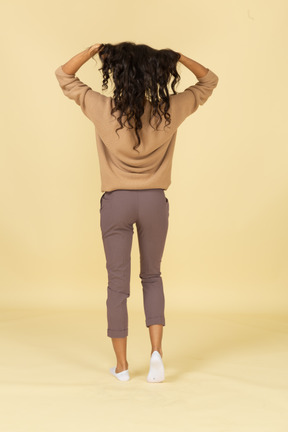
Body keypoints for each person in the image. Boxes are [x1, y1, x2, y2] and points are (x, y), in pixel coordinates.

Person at [54, 41, 219, 383]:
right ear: (155, 75)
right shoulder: (169, 109)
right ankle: (157, 354)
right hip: (154, 201)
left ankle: (122, 366)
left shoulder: (104, 109)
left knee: (117, 285)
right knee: (152, 276)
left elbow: (64, 75)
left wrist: (91, 50)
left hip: (116, 202)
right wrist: (177, 57)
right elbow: (208, 81)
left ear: (118, 75)